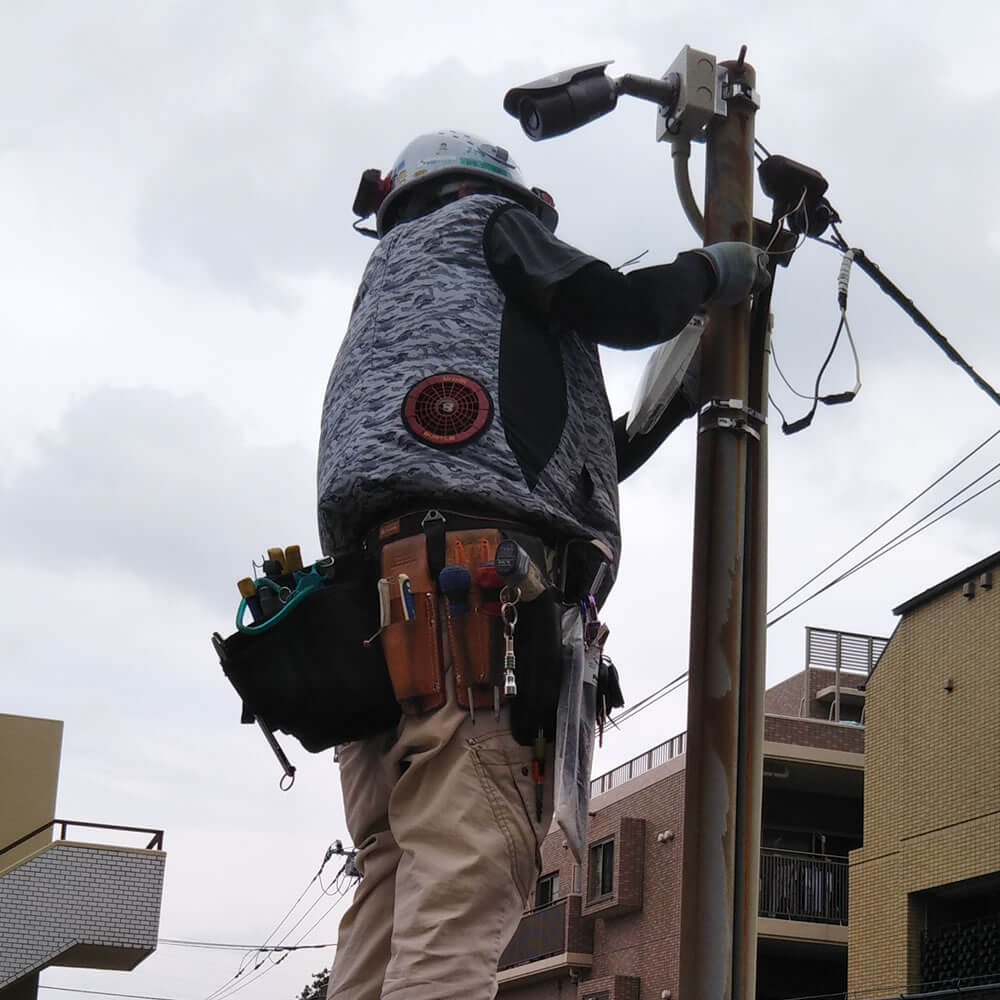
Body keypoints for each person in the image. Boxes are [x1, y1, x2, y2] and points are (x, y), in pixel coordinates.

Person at [317, 129, 767, 1000]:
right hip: (469, 615)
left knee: (390, 880)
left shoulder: (394, 296)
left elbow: (529, 451)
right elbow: (623, 307)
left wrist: (662, 413)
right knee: (461, 881)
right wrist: (711, 272)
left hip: (367, 619)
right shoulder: (487, 226)